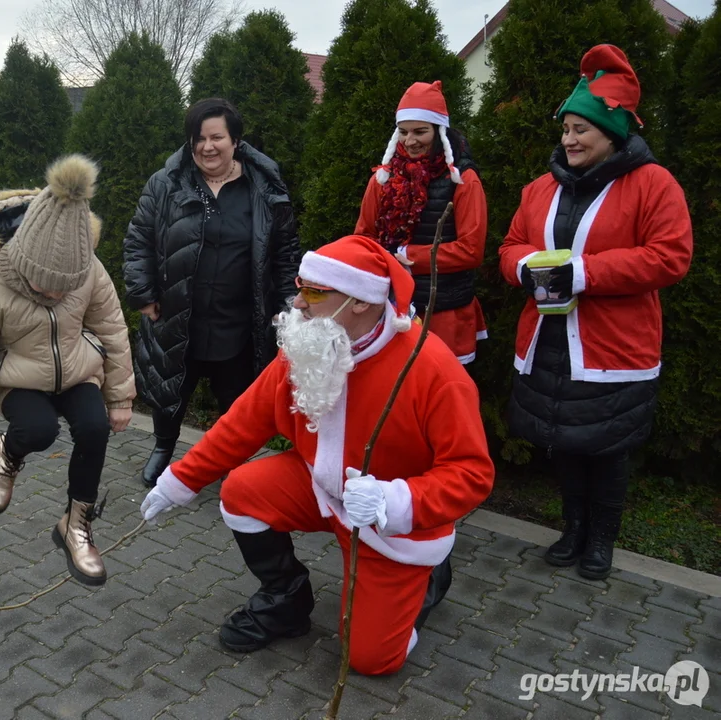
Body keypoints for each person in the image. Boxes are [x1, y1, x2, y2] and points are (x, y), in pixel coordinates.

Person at [139, 235, 494, 675]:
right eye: (300, 287)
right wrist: (181, 480)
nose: (299, 304)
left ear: (361, 301)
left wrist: (394, 501)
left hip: (385, 522)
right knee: (243, 490)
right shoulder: (310, 343)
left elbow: (471, 473)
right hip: (320, 489)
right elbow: (244, 421)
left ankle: (427, 579)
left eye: (314, 292)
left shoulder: (434, 371)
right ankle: (285, 600)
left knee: (370, 661)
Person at [499, 45, 692, 580]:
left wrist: (584, 273)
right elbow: (510, 245)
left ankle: (602, 540)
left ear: (612, 132)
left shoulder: (654, 184)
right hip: (549, 339)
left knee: (607, 449)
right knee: (564, 442)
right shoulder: (540, 189)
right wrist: (528, 267)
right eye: (565, 129)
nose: (569, 139)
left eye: (581, 129)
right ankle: (572, 529)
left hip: (612, 346)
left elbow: (670, 256)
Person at [0, 155, 136, 587]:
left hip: (77, 370)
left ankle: (76, 524)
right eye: (44, 284)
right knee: (39, 431)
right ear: (23, 261)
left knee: (94, 428)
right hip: (19, 378)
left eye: (65, 285)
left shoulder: (88, 268)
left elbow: (111, 325)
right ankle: (7, 455)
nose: (55, 293)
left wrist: (121, 396)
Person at [123, 98, 301, 488]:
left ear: (235, 140)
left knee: (236, 399)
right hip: (177, 312)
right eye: (199, 138)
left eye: (217, 137)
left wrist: (288, 305)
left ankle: (230, 463)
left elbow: (286, 251)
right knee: (171, 386)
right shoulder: (166, 183)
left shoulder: (264, 187)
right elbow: (138, 239)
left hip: (239, 317)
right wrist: (143, 292)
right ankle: (163, 449)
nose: (207, 147)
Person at [356, 81, 488, 365]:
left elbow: (471, 249)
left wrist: (407, 256)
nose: (410, 141)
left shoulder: (463, 179)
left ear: (440, 131)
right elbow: (363, 238)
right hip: (392, 308)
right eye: (403, 132)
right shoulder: (382, 178)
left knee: (444, 392)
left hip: (445, 312)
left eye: (420, 132)